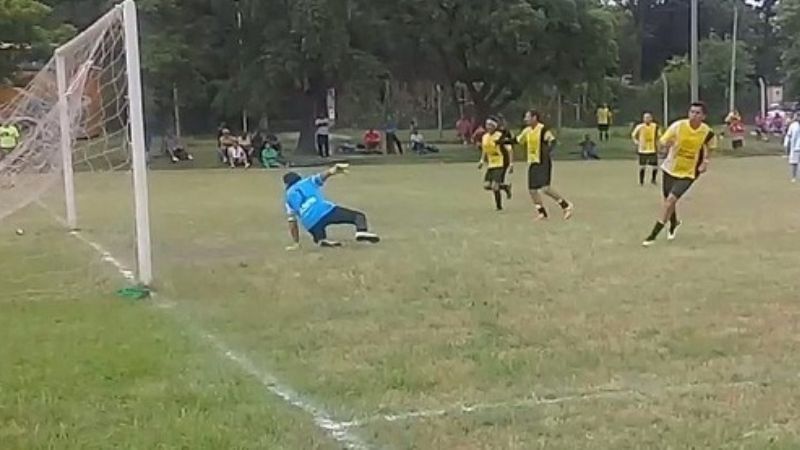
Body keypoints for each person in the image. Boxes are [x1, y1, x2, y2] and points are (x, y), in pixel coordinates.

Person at [642, 102, 717, 247]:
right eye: (692, 112)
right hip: (670, 168)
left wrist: (705, 161)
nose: (694, 115)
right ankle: (674, 222)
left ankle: (652, 235)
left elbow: (710, 146)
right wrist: (664, 146)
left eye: (697, 113)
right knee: (668, 201)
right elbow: (663, 141)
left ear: (703, 116)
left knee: (670, 200)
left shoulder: (707, 132)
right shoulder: (678, 126)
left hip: (689, 172)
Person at [283, 165, 381, 249]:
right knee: (358, 216)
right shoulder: (307, 182)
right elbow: (322, 176)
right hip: (324, 211)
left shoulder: (288, 198)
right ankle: (361, 231)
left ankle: (321, 239)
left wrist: (296, 242)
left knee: (318, 236)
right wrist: (332, 170)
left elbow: (292, 222)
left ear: (286, 184)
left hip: (310, 223)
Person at [517, 110, 573, 221]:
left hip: (543, 161)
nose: (525, 119)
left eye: (527, 117)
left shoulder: (543, 130)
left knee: (545, 188)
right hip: (533, 161)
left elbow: (552, 141)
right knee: (532, 190)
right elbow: (517, 140)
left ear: (534, 118)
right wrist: (503, 141)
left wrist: (547, 151)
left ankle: (566, 206)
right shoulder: (527, 131)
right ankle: (542, 213)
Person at [478, 117, 509, 211]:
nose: (488, 127)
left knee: (495, 186)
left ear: (494, 126)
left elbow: (509, 149)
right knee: (487, 185)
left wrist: (511, 163)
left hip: (500, 163)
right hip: (491, 164)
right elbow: (484, 150)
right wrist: (482, 160)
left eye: (490, 125)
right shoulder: (485, 137)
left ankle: (498, 206)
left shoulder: (499, 136)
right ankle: (505, 187)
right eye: (487, 125)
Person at [631, 112, 660, 185]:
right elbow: (633, 135)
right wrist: (636, 142)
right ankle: (641, 181)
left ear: (651, 118)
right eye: (646, 118)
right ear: (643, 119)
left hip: (652, 149)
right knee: (642, 166)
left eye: (649, 117)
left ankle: (653, 179)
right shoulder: (640, 127)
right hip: (642, 150)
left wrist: (659, 143)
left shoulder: (655, 126)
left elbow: (659, 135)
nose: (647, 119)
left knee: (655, 166)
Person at [784, 113, 800, 183]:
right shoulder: (793, 125)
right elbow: (789, 136)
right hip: (795, 147)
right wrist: (787, 145)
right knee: (794, 163)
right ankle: (794, 177)